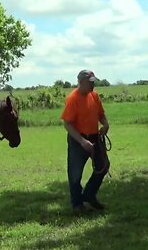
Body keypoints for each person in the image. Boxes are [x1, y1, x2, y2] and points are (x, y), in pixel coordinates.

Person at [60, 69, 110, 215]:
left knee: (103, 166)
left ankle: (89, 194)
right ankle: (77, 204)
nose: (93, 85)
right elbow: (67, 124)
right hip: (78, 140)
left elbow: (101, 114)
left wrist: (106, 125)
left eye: (93, 82)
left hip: (94, 137)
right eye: (90, 83)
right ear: (81, 82)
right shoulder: (73, 99)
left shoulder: (94, 96)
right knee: (75, 174)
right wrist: (82, 141)